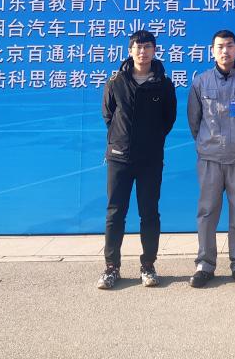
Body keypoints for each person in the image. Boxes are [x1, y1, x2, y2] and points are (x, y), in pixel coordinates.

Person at [97, 30, 177, 290]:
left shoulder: (164, 84)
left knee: (149, 213)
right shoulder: (116, 82)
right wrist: (122, 140)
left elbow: (168, 120)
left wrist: (150, 139)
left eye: (147, 47)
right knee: (115, 212)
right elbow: (109, 115)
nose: (142, 52)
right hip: (119, 158)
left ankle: (148, 265)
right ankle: (111, 267)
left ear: (154, 51)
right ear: (130, 51)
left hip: (150, 159)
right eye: (138, 47)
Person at [187, 29, 235, 287]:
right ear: (212, 51)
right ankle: (205, 264)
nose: (225, 51)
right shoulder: (201, 82)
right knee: (207, 212)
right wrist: (206, 144)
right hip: (209, 158)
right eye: (220, 46)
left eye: (229, 46)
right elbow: (194, 120)